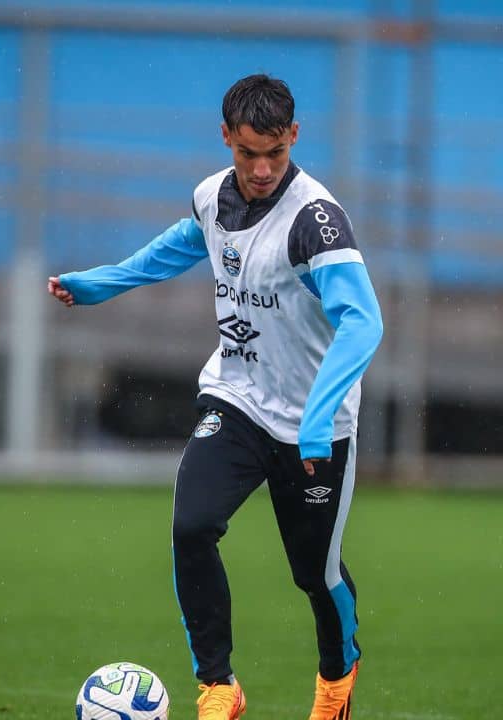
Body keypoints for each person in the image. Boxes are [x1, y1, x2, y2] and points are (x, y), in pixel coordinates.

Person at [48, 75, 383, 720]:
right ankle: (218, 688)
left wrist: (316, 423)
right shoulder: (212, 196)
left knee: (317, 575)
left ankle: (336, 685)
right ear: (226, 138)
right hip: (235, 399)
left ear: (295, 137)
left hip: (316, 428)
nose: (261, 169)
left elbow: (363, 321)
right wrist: (101, 283)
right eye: (248, 153)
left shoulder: (316, 222)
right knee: (192, 526)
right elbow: (181, 245)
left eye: (275, 154)